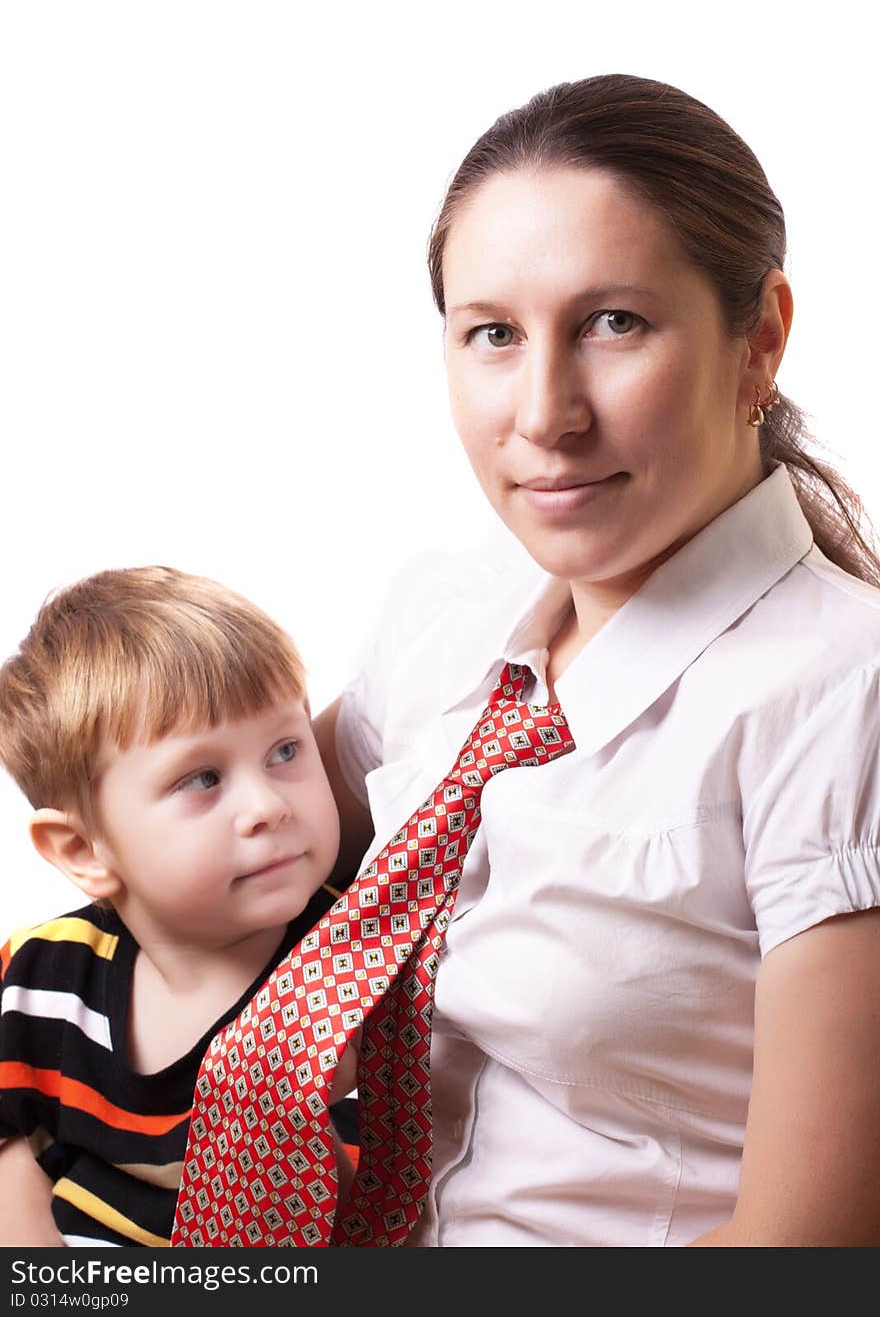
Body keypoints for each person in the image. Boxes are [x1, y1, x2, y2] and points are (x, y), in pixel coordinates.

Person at [313, 74, 880, 1246]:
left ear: (759, 335)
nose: (544, 412)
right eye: (493, 335)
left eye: (613, 323)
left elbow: (800, 1255)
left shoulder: (844, 690)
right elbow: (198, 873)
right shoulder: (446, 609)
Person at [0, 566, 358, 1247]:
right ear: (82, 849)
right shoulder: (40, 975)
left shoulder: (354, 970)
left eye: (286, 749)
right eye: (203, 778)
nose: (268, 806)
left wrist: (300, 1120)